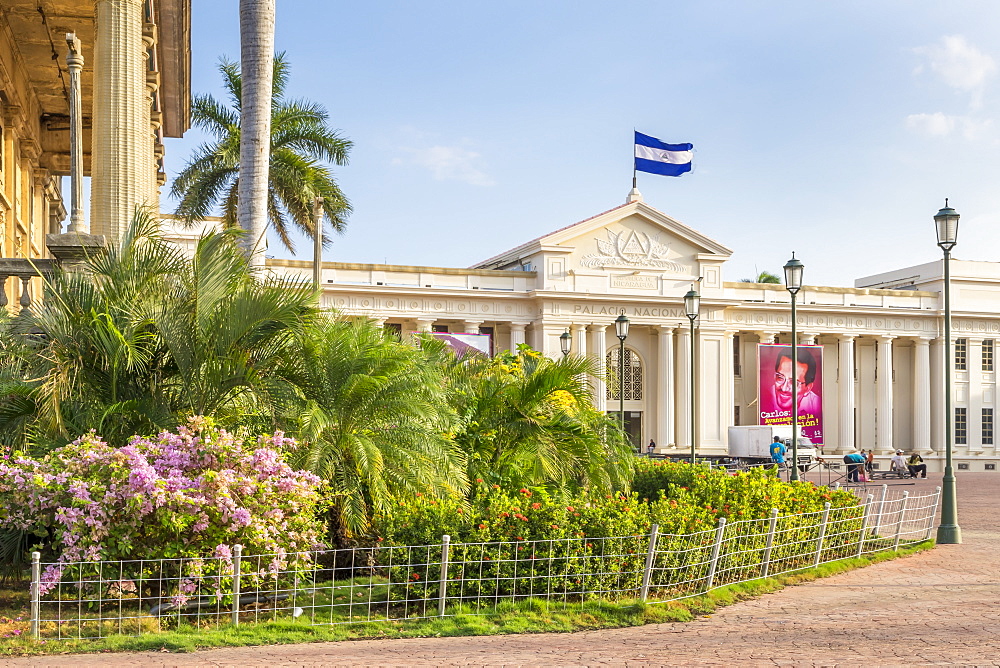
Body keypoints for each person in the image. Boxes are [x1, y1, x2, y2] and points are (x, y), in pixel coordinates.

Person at [769, 347, 822, 416]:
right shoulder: (766, 396)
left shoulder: (817, 405)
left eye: (793, 382)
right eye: (780, 378)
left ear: (808, 388)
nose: (784, 388)